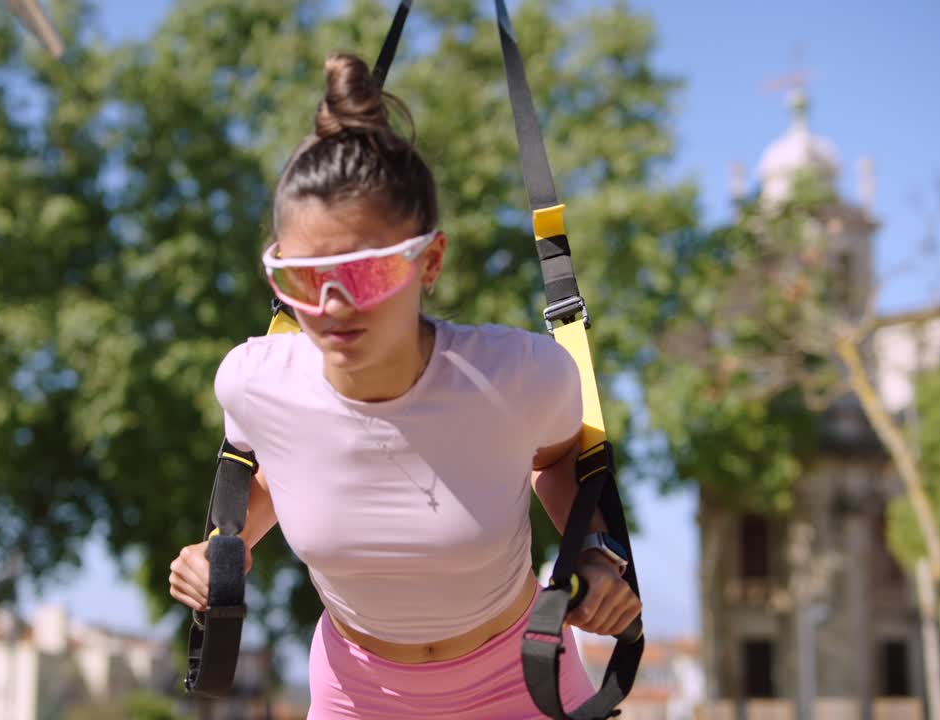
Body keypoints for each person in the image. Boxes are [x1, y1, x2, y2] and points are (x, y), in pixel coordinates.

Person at [169, 52, 641, 719]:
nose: (330, 304)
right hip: (355, 693)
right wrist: (222, 548)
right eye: (302, 277)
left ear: (431, 261)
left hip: (519, 681)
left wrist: (594, 557)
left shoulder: (520, 376)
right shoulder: (253, 384)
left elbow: (564, 461)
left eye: (361, 273)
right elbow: (273, 477)